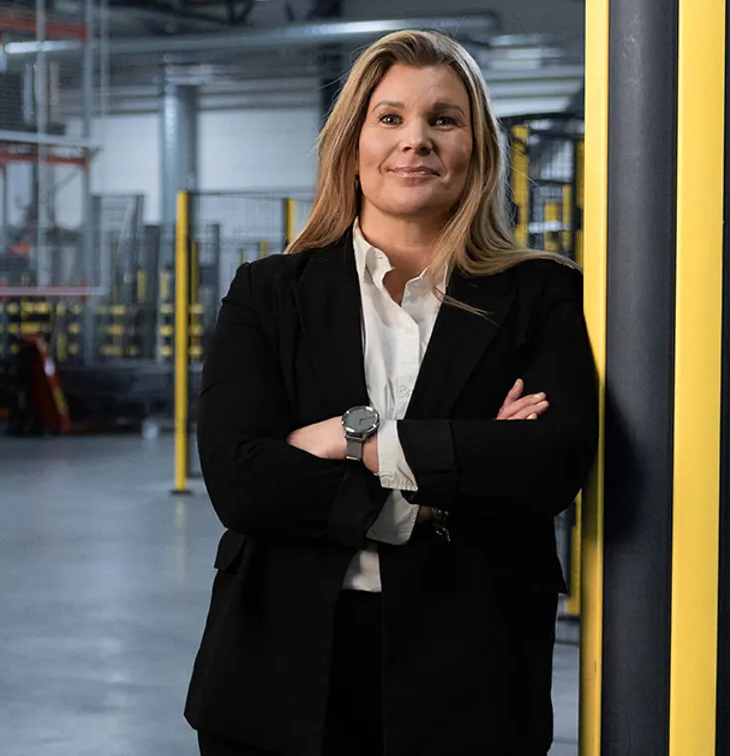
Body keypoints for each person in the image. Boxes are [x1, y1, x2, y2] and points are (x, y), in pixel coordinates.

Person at [184, 29, 599, 756]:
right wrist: (437, 482)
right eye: (390, 118)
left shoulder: (542, 293)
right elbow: (242, 479)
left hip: (471, 674)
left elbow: (547, 465)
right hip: (278, 673)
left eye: (444, 119)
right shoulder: (270, 293)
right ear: (352, 146)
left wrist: (353, 440)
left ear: (478, 148)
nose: (417, 141)